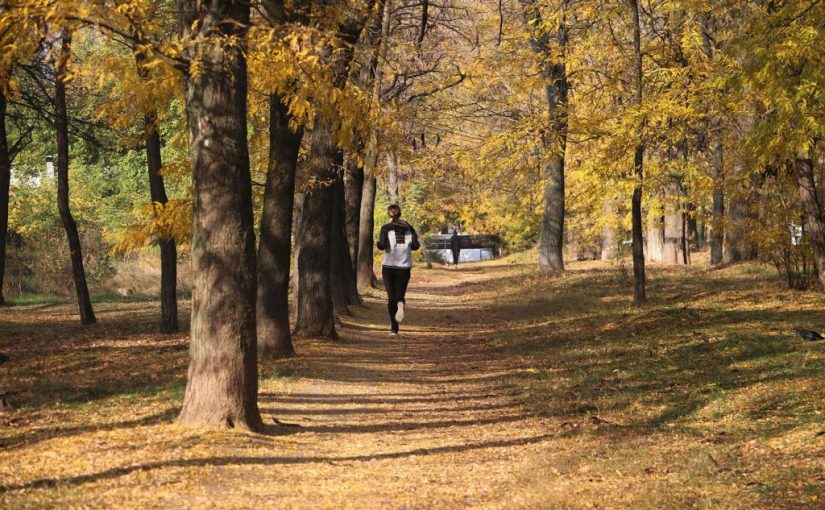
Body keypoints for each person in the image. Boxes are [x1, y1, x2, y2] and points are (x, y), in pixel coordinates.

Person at [376, 204, 420, 336]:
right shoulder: (409, 228)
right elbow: (415, 247)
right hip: (404, 267)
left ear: (389, 214)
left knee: (391, 297)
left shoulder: (386, 228)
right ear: (400, 214)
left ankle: (394, 329)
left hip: (388, 267)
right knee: (399, 295)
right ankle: (400, 304)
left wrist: (378, 243)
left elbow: (382, 246)